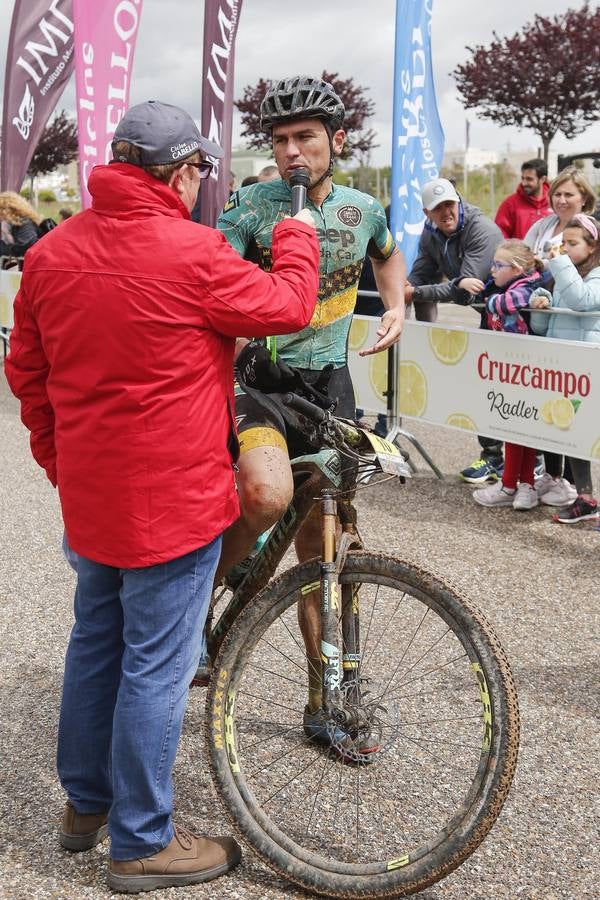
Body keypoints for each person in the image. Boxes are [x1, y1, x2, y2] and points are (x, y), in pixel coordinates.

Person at [4, 99, 320, 893]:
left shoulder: (50, 252)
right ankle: (142, 841)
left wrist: (58, 461)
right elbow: (287, 305)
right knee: (154, 664)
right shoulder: (193, 251)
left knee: (97, 642)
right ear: (181, 173)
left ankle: (86, 807)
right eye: (196, 174)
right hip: (173, 498)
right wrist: (299, 231)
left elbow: (28, 377)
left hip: (93, 491)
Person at [216, 75, 406, 745]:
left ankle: (322, 703)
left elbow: (387, 258)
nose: (293, 152)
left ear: (337, 141)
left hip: (330, 390)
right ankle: (197, 598)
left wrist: (398, 307)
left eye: (306, 139)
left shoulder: (365, 207)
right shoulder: (251, 204)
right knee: (264, 497)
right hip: (264, 382)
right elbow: (214, 276)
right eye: (281, 141)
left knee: (321, 555)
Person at [404, 177, 506, 483]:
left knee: (508, 391)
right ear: (427, 212)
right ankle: (493, 458)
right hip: (488, 317)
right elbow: (421, 274)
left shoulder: (483, 229)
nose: (446, 212)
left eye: (449, 204)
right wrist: (410, 287)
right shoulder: (431, 232)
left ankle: (523, 463)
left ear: (458, 201)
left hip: (512, 316)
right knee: (486, 388)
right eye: (438, 208)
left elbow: (466, 290)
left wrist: (418, 292)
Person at [524, 166, 596, 503]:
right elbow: (544, 324)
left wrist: (558, 262)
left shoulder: (592, 275)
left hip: (581, 364)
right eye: (558, 194)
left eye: (571, 243)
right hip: (556, 364)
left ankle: (586, 497)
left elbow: (583, 302)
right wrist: (541, 306)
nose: (562, 248)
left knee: (578, 431)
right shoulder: (561, 273)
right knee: (553, 424)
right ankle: (554, 481)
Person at [463, 240, 546, 510]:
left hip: (527, 369)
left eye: (498, 266)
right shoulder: (504, 284)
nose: (493, 270)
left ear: (517, 268)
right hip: (510, 370)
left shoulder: (526, 286)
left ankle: (522, 485)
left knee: (522, 429)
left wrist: (490, 300)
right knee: (512, 427)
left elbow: (509, 303)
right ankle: (514, 484)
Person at [495, 158, 551, 240]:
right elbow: (500, 234)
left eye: (529, 179)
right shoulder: (510, 204)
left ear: (542, 179)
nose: (524, 183)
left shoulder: (554, 202)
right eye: (523, 178)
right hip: (519, 252)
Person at [0, 191, 41, 257]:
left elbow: (24, 249)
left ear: (6, 210)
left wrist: (2, 247)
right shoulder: (14, 222)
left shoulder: (25, 223)